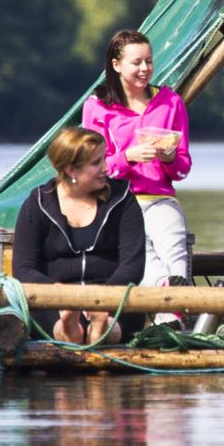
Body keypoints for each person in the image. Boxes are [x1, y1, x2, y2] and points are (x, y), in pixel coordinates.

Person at [12, 127, 147, 345]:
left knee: (128, 311)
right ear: (71, 170)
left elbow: (133, 265)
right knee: (40, 312)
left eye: (104, 158)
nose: (106, 168)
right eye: (96, 163)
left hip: (112, 299)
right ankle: (68, 328)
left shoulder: (123, 200)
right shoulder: (37, 203)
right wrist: (62, 295)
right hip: (54, 301)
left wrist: (100, 298)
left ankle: (102, 329)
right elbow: (23, 269)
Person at [81, 27, 192, 287]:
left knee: (174, 247)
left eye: (149, 61)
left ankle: (173, 307)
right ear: (117, 65)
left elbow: (183, 169)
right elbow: (89, 168)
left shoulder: (170, 102)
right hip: (115, 198)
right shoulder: (96, 106)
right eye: (137, 62)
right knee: (143, 252)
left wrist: (169, 157)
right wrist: (128, 157)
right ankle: (169, 305)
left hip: (160, 197)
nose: (145, 68)